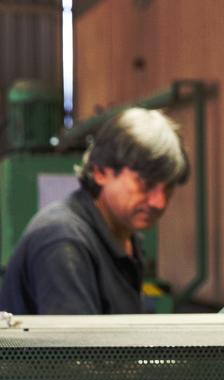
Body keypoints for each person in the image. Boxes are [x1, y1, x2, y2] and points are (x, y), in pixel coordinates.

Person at [0, 107, 189, 314]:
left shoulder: (128, 240)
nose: (159, 202)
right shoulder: (63, 242)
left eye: (168, 186)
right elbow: (74, 345)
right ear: (100, 172)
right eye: (145, 183)